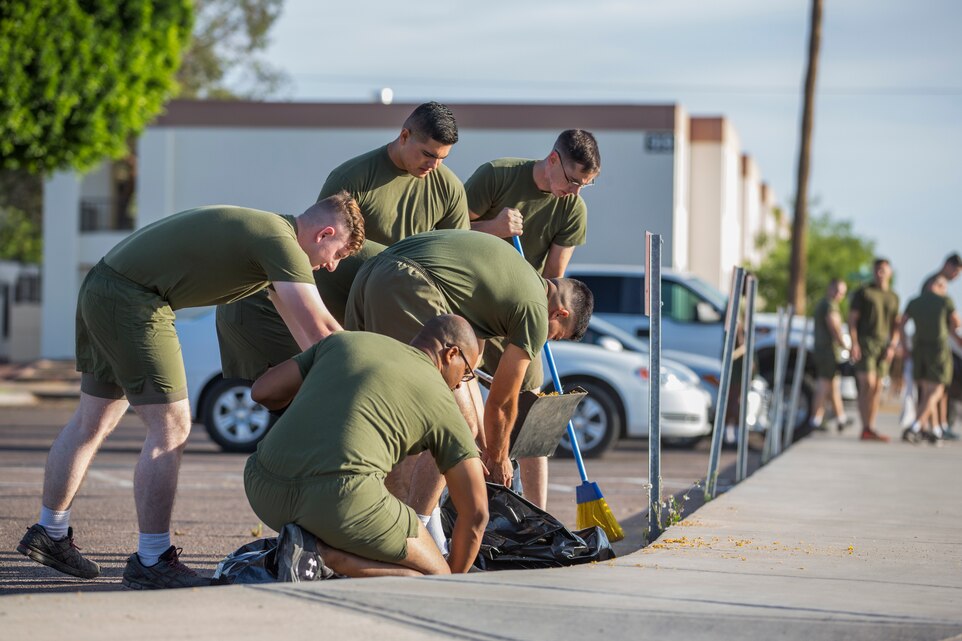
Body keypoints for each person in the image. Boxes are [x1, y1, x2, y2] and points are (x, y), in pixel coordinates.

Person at [17, 195, 365, 589]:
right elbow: (320, 327)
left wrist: (325, 372)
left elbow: (307, 337)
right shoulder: (282, 242)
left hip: (104, 287)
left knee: (91, 421)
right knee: (172, 428)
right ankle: (152, 559)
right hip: (134, 299)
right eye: (337, 254)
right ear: (325, 233)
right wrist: (371, 366)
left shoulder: (271, 238)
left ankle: (51, 532)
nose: (332, 266)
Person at [344, 229, 593, 535]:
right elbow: (502, 401)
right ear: (560, 313)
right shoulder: (535, 311)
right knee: (452, 428)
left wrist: (487, 445)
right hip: (409, 284)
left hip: (371, 274)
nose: (545, 340)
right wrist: (499, 458)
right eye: (554, 335)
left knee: (392, 418)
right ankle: (415, 537)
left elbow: (470, 365)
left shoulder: (511, 278)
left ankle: (394, 530)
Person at [216, 101, 468, 383]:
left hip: (388, 317)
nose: (434, 165)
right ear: (405, 136)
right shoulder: (353, 178)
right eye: (427, 154)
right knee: (293, 399)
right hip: (320, 315)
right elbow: (314, 253)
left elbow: (455, 264)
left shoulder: (449, 188)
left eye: (442, 158)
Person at [245, 315, 488, 577]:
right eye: (465, 373)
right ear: (451, 353)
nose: (459, 384)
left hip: (263, 486)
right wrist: (455, 578)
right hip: (340, 503)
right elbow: (476, 514)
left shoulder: (343, 341)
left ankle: (309, 543)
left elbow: (263, 391)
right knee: (434, 576)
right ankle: (323, 556)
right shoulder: (442, 400)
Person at [465, 129, 600, 509]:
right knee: (470, 401)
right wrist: (494, 229)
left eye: (585, 185)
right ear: (553, 159)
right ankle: (472, 501)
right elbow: (444, 232)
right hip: (472, 307)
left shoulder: (573, 209)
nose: (574, 192)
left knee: (538, 408)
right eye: (573, 180)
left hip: (524, 310)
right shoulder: (497, 175)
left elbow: (555, 279)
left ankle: (538, 516)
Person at [899, 276, 962, 445]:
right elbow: (956, 323)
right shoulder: (944, 301)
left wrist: (904, 346)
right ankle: (916, 426)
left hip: (919, 348)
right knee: (937, 390)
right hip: (938, 350)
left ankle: (935, 430)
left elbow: (901, 323)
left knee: (927, 390)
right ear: (939, 286)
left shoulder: (914, 301)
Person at [848, 258, 901, 442]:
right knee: (867, 384)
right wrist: (854, 343)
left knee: (878, 387)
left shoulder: (893, 296)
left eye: (884, 270)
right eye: (877, 270)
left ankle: (871, 427)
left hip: (884, 345)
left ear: (890, 273)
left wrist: (893, 345)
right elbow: (852, 319)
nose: (880, 273)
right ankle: (865, 427)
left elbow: (896, 325)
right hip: (865, 343)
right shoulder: (864, 292)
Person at [921, 252, 962, 439]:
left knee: (942, 387)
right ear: (948, 265)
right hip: (935, 343)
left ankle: (939, 426)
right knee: (936, 386)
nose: (957, 276)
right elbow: (945, 319)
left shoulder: (934, 281)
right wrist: (957, 337)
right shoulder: (936, 283)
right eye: (957, 271)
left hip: (935, 342)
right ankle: (925, 425)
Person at [809, 279, 853, 431]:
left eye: (842, 293)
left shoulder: (824, 304)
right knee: (824, 384)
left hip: (825, 350)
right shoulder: (829, 305)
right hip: (828, 351)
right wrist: (845, 346)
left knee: (833, 385)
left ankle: (841, 418)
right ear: (830, 289)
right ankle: (815, 420)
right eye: (837, 291)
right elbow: (834, 327)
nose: (839, 295)